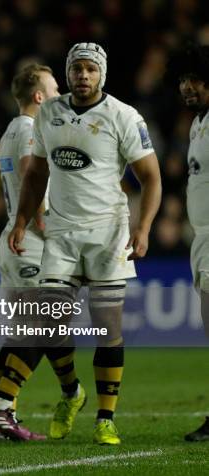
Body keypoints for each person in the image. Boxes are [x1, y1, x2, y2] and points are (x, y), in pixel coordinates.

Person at [9, 43, 162, 445]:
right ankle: (70, 393)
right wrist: (23, 219)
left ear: (102, 74)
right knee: (49, 320)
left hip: (107, 233)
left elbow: (152, 177)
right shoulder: (49, 113)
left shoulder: (123, 116)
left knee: (107, 329)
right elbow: (36, 172)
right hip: (60, 234)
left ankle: (105, 418)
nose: (82, 76)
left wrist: (143, 227)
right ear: (68, 72)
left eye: (90, 69)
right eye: (76, 68)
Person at [0, 63, 61, 442]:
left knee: (20, 334)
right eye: (55, 89)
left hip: (14, 239)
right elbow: (31, 176)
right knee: (44, 328)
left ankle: (4, 419)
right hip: (29, 243)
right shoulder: (30, 129)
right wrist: (43, 224)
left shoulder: (11, 128)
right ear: (39, 96)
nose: (60, 95)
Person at [167, 43, 209, 442]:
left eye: (195, 80)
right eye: (182, 80)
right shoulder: (198, 123)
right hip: (202, 237)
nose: (187, 87)